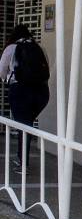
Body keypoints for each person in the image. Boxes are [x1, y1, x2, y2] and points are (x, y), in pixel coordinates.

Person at [0, 24, 51, 170]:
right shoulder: (39, 48)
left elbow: (2, 71)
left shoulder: (11, 48)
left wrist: (8, 81)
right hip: (41, 93)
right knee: (27, 125)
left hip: (20, 92)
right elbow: (45, 69)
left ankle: (23, 164)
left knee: (23, 125)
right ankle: (22, 160)